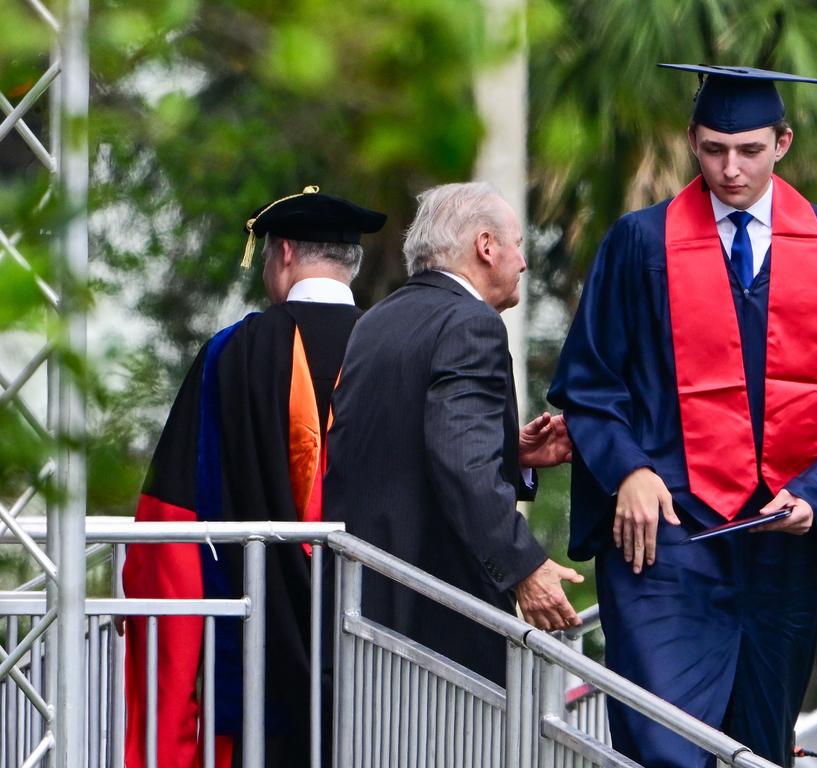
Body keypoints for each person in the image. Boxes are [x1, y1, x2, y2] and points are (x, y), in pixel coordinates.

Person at [548, 65, 817, 767]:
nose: (730, 168)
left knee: (760, 749)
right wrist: (629, 472)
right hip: (668, 542)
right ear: (692, 141)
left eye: (748, 150)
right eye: (713, 150)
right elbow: (591, 382)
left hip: (780, 539)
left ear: (783, 143)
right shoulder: (639, 245)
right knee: (664, 748)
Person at [121, 187, 386, 768]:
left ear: (284, 252)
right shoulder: (394, 352)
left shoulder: (232, 354)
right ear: (351, 262)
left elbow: (172, 515)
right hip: (376, 642)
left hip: (255, 639)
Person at [325, 181, 582, 686]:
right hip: (441, 620)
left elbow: (407, 445)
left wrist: (512, 452)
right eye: (518, 245)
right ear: (486, 247)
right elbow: (462, 464)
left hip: (368, 603)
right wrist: (524, 567)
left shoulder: (375, 321)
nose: (523, 263)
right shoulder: (473, 324)